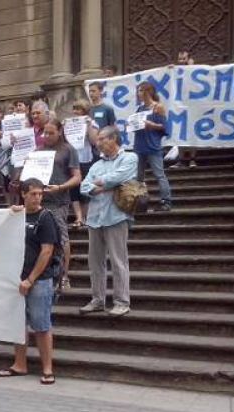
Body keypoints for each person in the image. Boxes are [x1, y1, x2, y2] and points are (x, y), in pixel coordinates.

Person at [0, 178, 57, 385]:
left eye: (40, 194)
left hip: (39, 280)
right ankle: (19, 364)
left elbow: (47, 250)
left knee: (41, 325)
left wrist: (30, 279)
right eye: (33, 194)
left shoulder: (46, 216)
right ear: (23, 194)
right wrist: (9, 212)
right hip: (16, 277)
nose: (37, 198)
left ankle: (48, 368)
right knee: (18, 323)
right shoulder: (17, 215)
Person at [79, 126, 138, 317]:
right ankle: (98, 299)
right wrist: (103, 185)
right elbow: (83, 186)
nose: (98, 143)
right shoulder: (96, 165)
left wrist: (99, 183)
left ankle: (122, 301)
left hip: (116, 216)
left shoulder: (129, 158)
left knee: (118, 260)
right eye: (98, 139)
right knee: (95, 262)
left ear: (114, 139)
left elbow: (120, 177)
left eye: (102, 139)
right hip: (95, 218)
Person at [40, 118, 81, 289]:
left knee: (62, 237)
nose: (47, 136)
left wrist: (60, 187)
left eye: (51, 133)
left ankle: (65, 275)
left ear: (60, 132)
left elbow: (77, 177)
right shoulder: (39, 150)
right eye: (45, 133)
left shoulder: (68, 150)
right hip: (41, 201)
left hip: (59, 201)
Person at [133, 81, 172, 212]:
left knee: (159, 174)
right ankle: (140, 202)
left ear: (147, 92)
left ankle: (166, 201)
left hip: (153, 146)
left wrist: (152, 125)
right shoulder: (140, 109)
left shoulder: (158, 107)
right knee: (138, 176)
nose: (138, 94)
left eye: (140, 91)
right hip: (139, 145)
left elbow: (164, 127)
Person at [69, 100, 100, 227]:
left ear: (85, 111)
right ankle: (79, 217)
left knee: (85, 188)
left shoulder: (92, 123)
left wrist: (87, 126)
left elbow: (94, 142)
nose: (75, 112)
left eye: (78, 109)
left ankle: (87, 217)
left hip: (86, 158)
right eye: (74, 109)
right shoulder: (70, 123)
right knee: (74, 190)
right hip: (72, 159)